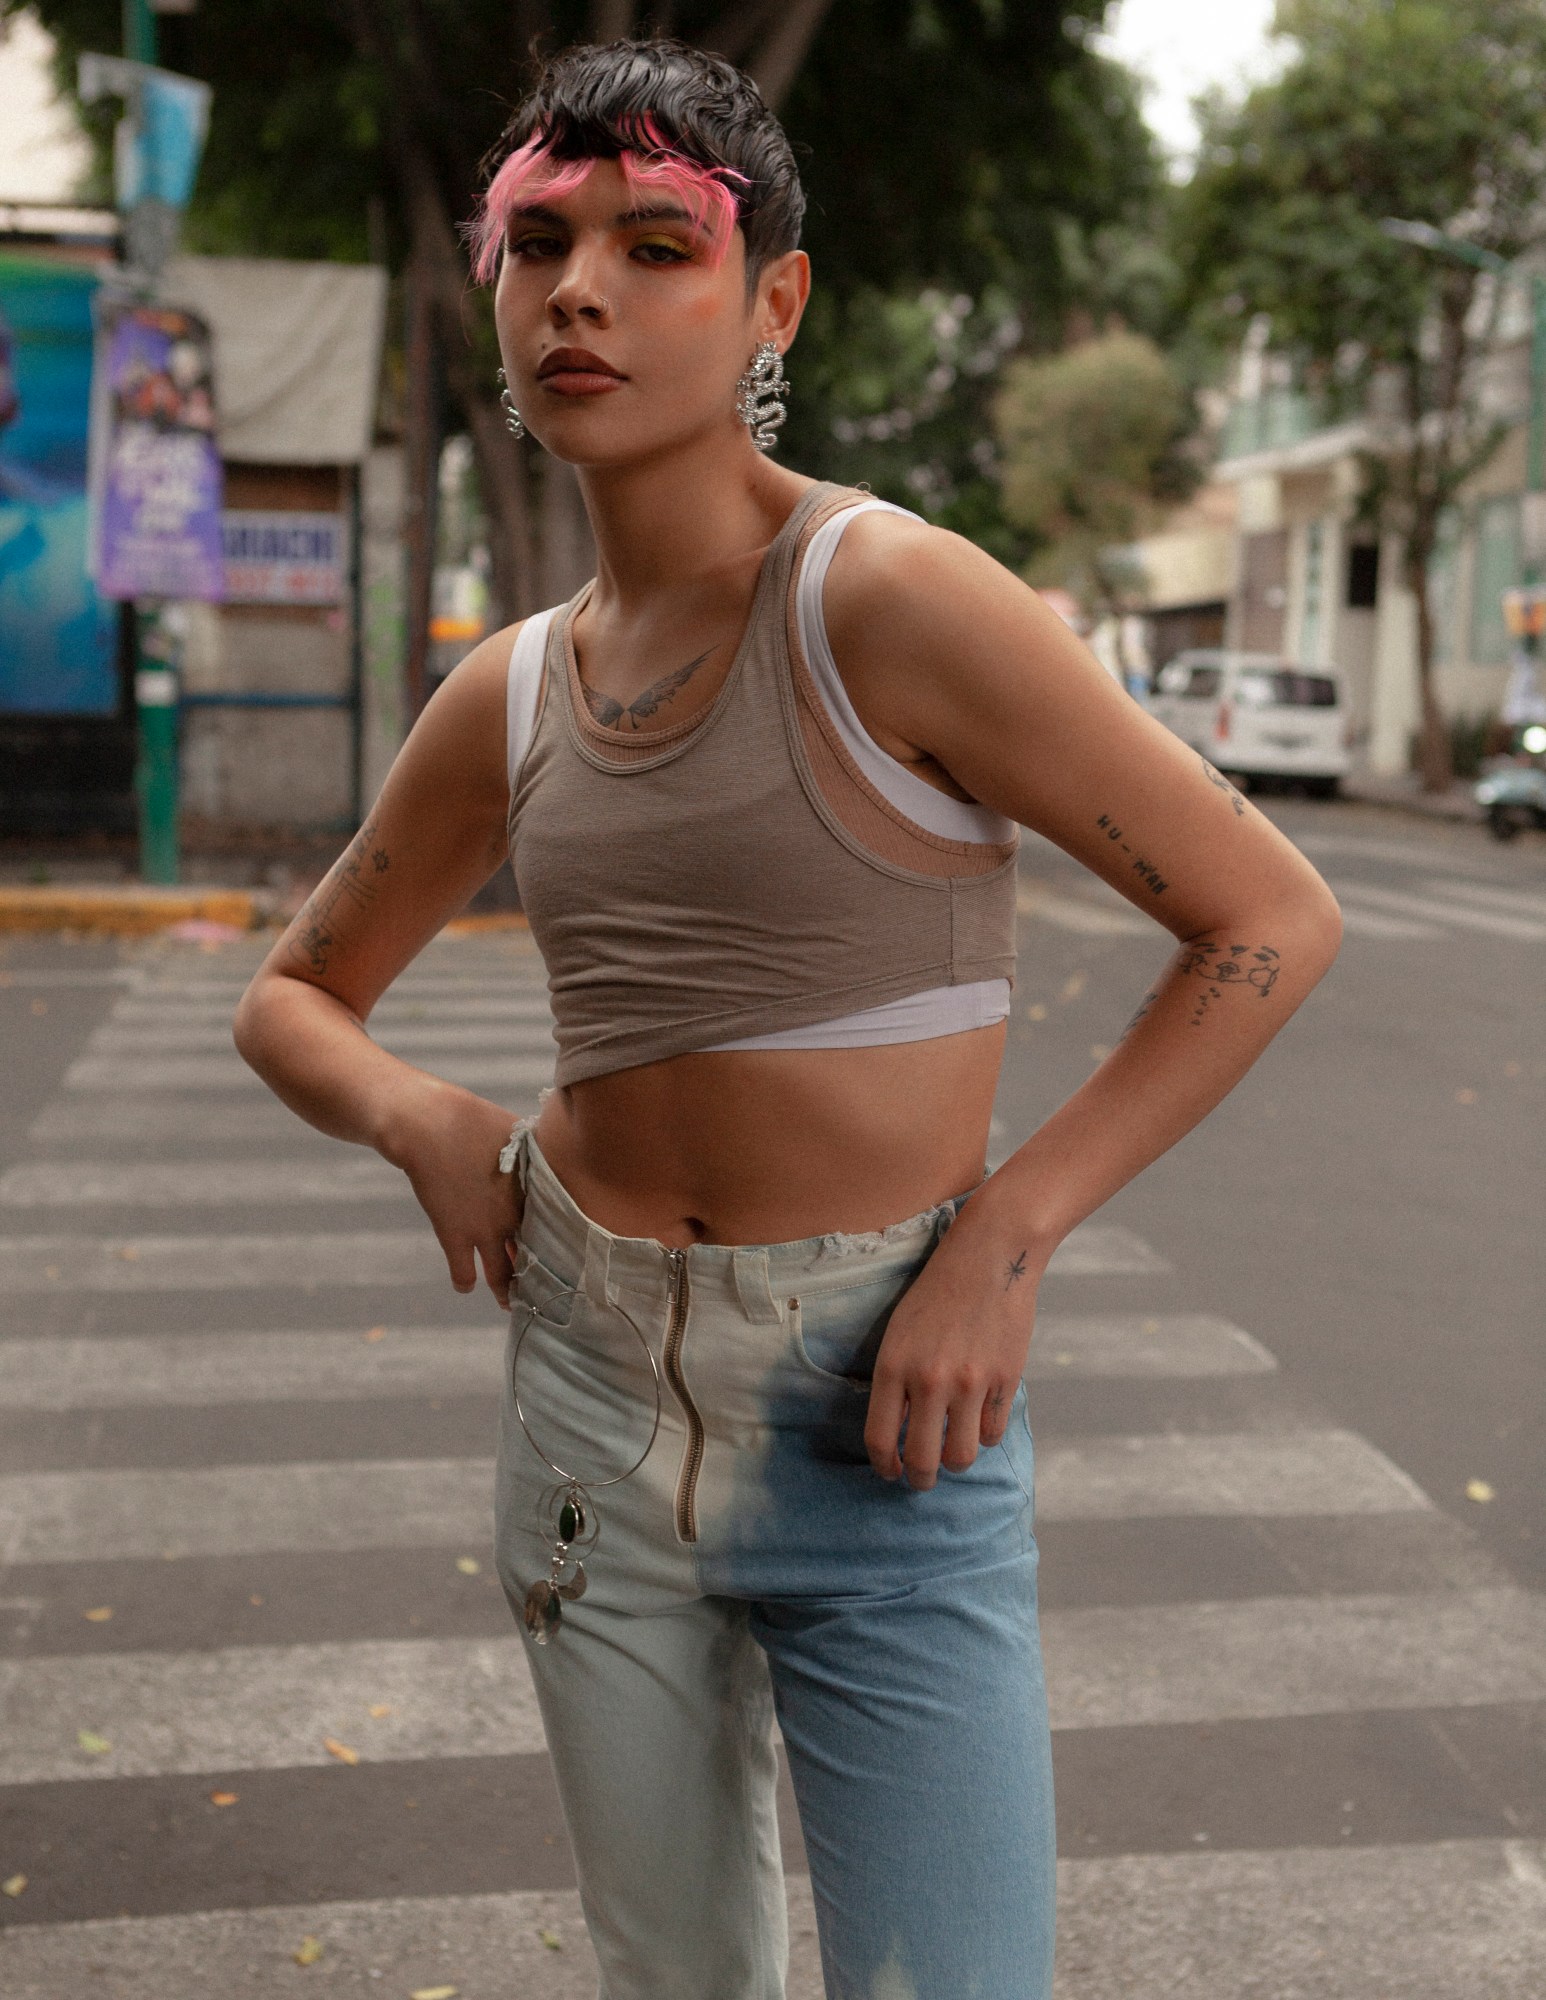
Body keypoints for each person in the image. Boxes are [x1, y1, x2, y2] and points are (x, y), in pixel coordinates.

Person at [234, 35, 1342, 2000]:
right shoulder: (505, 692)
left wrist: (1004, 1235)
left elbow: (1262, 915)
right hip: (585, 1398)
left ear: (772, 301)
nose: (578, 285)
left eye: (656, 243)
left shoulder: (882, 597)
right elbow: (296, 997)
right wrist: (422, 1119)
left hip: (878, 1424)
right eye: (538, 241)